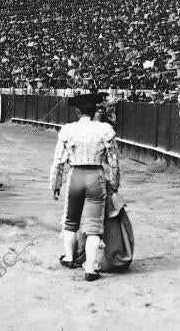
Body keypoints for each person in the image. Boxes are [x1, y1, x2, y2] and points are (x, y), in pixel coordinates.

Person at [49, 93, 120, 281]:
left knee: (70, 220)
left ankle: (69, 257)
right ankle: (89, 268)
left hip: (75, 176)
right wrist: (115, 183)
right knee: (95, 227)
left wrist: (55, 184)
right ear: (95, 110)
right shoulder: (104, 129)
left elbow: (58, 161)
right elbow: (113, 161)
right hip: (96, 176)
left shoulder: (68, 129)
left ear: (78, 111)